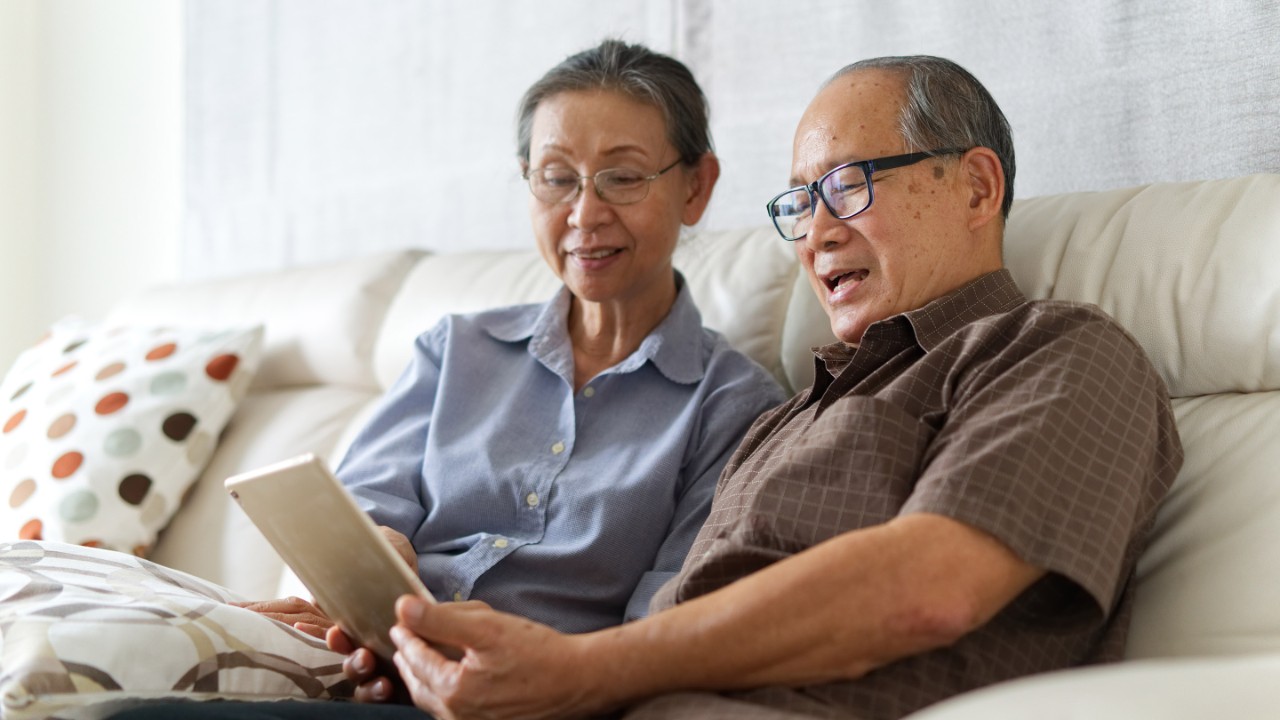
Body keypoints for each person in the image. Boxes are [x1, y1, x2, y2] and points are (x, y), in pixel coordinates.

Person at [322, 55, 1183, 720]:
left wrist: (579, 675)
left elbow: (931, 587)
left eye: (848, 185)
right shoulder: (793, 413)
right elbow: (660, 624)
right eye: (802, 201)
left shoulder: (1057, 350)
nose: (815, 232)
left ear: (975, 185)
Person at [235, 38, 785, 639]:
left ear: (696, 186)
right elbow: (363, 503)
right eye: (556, 178)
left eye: (622, 177)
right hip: (380, 655)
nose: (583, 214)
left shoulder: (734, 405)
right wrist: (372, 558)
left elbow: (665, 622)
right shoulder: (455, 350)